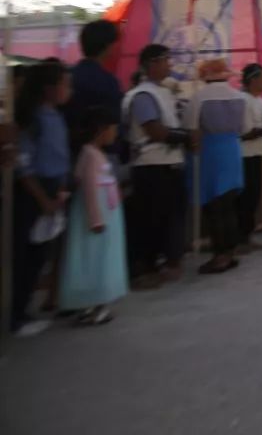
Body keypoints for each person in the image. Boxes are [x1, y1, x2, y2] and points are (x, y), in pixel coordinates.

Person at [11, 62, 72, 336]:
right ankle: (16, 315)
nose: (68, 90)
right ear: (49, 89)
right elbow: (25, 166)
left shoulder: (54, 116)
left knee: (38, 256)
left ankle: (22, 311)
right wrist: (43, 199)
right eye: (65, 83)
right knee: (26, 257)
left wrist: (59, 190)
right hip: (35, 192)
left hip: (52, 190)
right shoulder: (33, 120)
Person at [123, 45, 188, 288]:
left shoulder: (164, 93)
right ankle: (143, 268)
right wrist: (184, 137)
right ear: (152, 63)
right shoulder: (143, 95)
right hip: (151, 166)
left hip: (169, 163)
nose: (169, 65)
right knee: (149, 220)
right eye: (165, 60)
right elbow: (155, 131)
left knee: (168, 217)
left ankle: (165, 261)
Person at [59, 106, 128, 324]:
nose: (115, 133)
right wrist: (96, 218)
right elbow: (89, 188)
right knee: (96, 259)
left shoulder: (93, 153)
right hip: (98, 215)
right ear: (101, 130)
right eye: (113, 129)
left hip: (105, 212)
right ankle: (95, 304)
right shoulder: (90, 154)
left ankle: (94, 304)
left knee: (97, 258)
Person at [185, 58, 245, 274]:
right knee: (228, 205)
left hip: (210, 153)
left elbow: (191, 130)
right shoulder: (239, 97)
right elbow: (244, 128)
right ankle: (229, 251)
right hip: (232, 150)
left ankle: (220, 255)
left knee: (213, 207)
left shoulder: (198, 98)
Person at [64, 20, 123, 148]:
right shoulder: (108, 82)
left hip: (71, 149)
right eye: (115, 43)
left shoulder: (68, 76)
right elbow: (112, 130)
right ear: (107, 46)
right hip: (101, 152)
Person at [239, 64, 262, 252]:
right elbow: (245, 133)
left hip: (257, 154)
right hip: (244, 155)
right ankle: (240, 238)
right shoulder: (243, 100)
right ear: (252, 80)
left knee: (253, 197)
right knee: (245, 198)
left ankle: (247, 236)